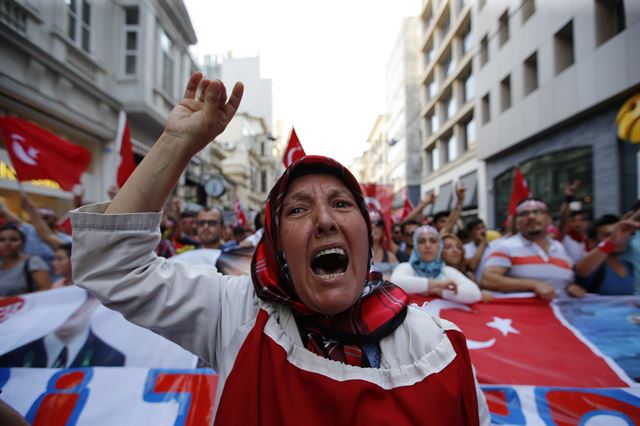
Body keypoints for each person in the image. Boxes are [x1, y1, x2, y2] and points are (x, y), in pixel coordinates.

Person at [70, 73, 489, 424]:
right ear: (276, 244)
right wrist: (176, 142)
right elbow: (112, 263)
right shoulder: (237, 314)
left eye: (342, 204)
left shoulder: (436, 347)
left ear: (367, 231)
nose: (325, 221)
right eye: (297, 210)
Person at [481, 198, 575, 300]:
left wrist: (570, 287)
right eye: (524, 213)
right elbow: (488, 280)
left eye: (537, 212)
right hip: (522, 314)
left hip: (559, 313)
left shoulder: (560, 248)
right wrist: (533, 285)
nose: (531, 217)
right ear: (517, 223)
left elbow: (566, 279)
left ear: (549, 219)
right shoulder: (506, 247)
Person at [0, 292, 125, 368]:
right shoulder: (15, 353)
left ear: (95, 305)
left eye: (85, 302)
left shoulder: (111, 356)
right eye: (68, 304)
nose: (75, 310)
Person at [391, 225, 482, 304]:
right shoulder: (406, 267)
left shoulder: (447, 271)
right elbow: (396, 283)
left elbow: (475, 293)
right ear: (416, 246)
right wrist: (438, 284)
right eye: (422, 241)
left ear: (439, 246)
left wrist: (439, 291)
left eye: (433, 241)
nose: (427, 245)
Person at [571, 214, 639, 296]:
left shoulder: (628, 266)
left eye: (621, 233)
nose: (618, 238)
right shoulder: (592, 266)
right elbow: (582, 270)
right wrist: (610, 243)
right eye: (608, 235)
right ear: (592, 242)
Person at [0, 224, 51, 296]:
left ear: (22, 243)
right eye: (2, 240)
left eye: (13, 239)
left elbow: (45, 288)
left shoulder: (33, 262)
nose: (7, 243)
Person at [441, 233, 494, 302]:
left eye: (459, 247)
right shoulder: (436, 275)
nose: (455, 250)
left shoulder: (469, 276)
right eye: (448, 247)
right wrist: (479, 295)